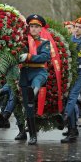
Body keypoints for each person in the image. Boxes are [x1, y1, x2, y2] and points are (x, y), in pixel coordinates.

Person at [19, 14, 51, 145]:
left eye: (36, 27)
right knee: (29, 107)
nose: (33, 29)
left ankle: (34, 91)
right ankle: (33, 136)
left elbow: (44, 57)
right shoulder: (22, 41)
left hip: (39, 72)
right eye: (31, 26)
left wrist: (29, 56)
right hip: (25, 74)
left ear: (40, 29)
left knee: (36, 83)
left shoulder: (44, 42)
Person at [61, 17, 81, 143]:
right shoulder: (70, 39)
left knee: (72, 96)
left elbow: (77, 59)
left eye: (80, 27)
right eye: (76, 26)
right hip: (70, 73)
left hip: (79, 73)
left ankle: (65, 117)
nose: (77, 29)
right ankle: (72, 130)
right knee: (68, 98)